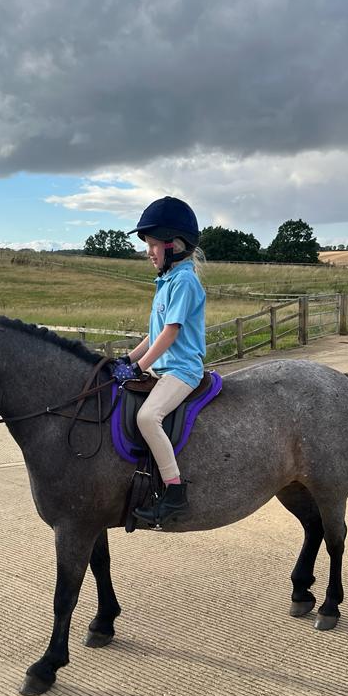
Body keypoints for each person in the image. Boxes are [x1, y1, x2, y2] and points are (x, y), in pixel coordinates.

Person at [112, 195, 206, 525]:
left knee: (148, 417)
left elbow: (170, 335)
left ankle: (175, 493)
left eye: (153, 244)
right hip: (164, 368)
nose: (148, 252)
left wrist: (137, 367)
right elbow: (153, 335)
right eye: (148, 245)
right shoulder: (165, 281)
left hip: (182, 370)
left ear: (175, 245)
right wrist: (126, 358)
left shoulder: (184, 281)